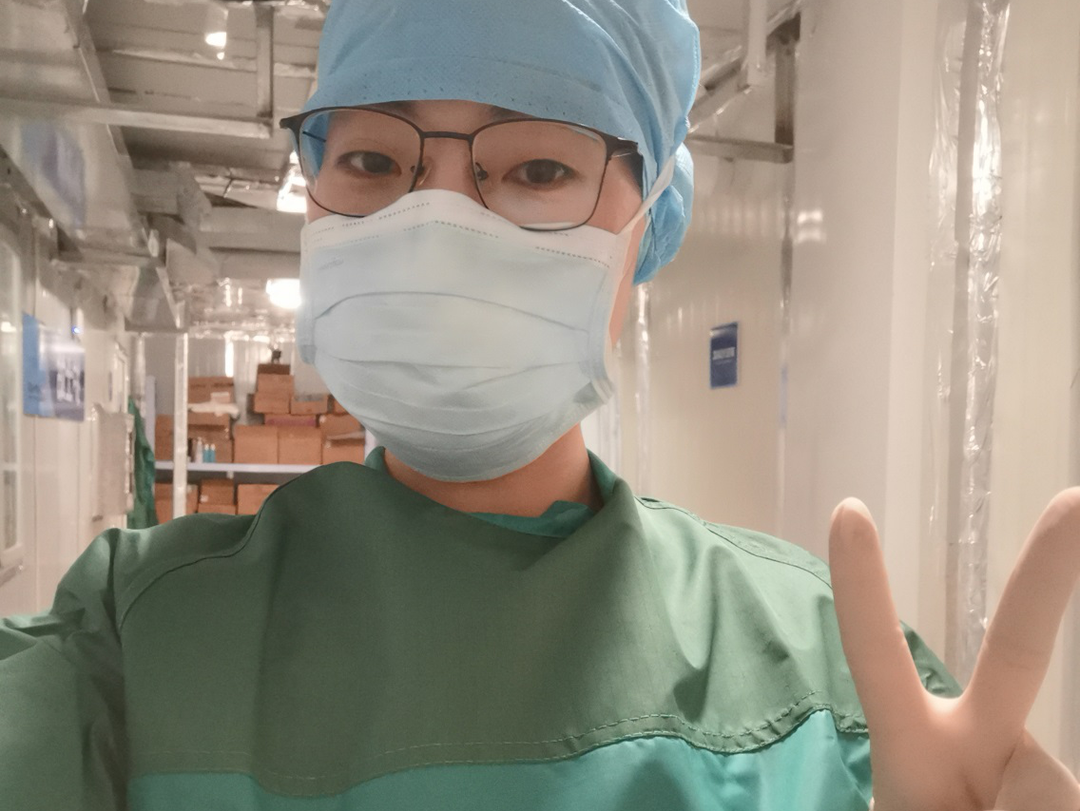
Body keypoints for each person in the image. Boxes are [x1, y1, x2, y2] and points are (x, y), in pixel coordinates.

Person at [2, 1, 1078, 809]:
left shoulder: (828, 676)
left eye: (537, 171)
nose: (438, 229)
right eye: (373, 158)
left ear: (644, 233)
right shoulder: (134, 638)